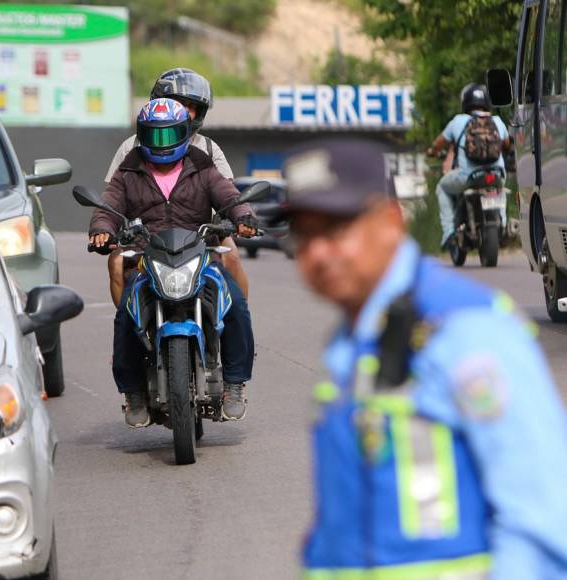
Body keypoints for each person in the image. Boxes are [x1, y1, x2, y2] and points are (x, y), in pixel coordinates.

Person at [281, 138, 567, 579]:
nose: (318, 253)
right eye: (304, 234)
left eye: (336, 229)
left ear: (390, 221)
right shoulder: (351, 340)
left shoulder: (466, 331)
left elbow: (543, 522)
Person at [89, 97, 257, 427]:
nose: (162, 144)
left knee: (235, 303)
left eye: (170, 135)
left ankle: (234, 384)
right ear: (142, 135)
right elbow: (107, 207)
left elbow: (230, 198)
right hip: (147, 258)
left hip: (200, 255)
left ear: (184, 133)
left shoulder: (203, 166)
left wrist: (243, 216)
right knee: (126, 314)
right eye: (154, 135)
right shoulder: (128, 171)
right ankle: (133, 391)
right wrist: (101, 230)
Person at [103, 68, 250, 306]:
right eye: (178, 103)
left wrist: (240, 218)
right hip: (145, 236)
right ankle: (128, 322)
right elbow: (112, 200)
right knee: (116, 263)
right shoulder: (130, 149)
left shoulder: (208, 149)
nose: (186, 112)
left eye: (192, 107)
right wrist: (106, 229)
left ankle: (236, 316)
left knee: (231, 256)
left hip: (201, 235)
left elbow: (227, 194)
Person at [427, 83, 512, 251]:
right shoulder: (497, 121)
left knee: (442, 188)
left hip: (469, 177)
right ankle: (502, 223)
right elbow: (507, 145)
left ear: (465, 102)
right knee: (499, 189)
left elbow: (439, 143)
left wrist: (432, 151)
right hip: (496, 174)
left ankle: (449, 233)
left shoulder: (458, 121)